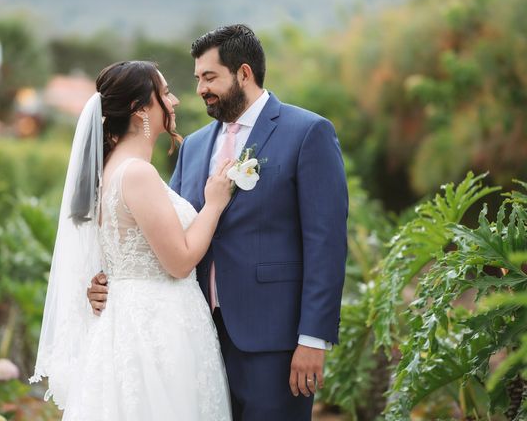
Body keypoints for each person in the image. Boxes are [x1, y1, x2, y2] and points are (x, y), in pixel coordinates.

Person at [88, 25, 348, 420]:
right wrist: (110, 282)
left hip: (274, 342)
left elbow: (326, 243)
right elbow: (165, 234)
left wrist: (313, 339)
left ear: (244, 73)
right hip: (196, 340)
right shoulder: (193, 146)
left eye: (210, 77)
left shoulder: (307, 132)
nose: (199, 89)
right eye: (197, 79)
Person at [31, 60, 234, 420]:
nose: (174, 102)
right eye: (166, 93)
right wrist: (214, 204)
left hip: (129, 316)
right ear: (141, 108)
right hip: (155, 325)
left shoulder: (111, 170)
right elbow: (180, 261)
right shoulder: (137, 173)